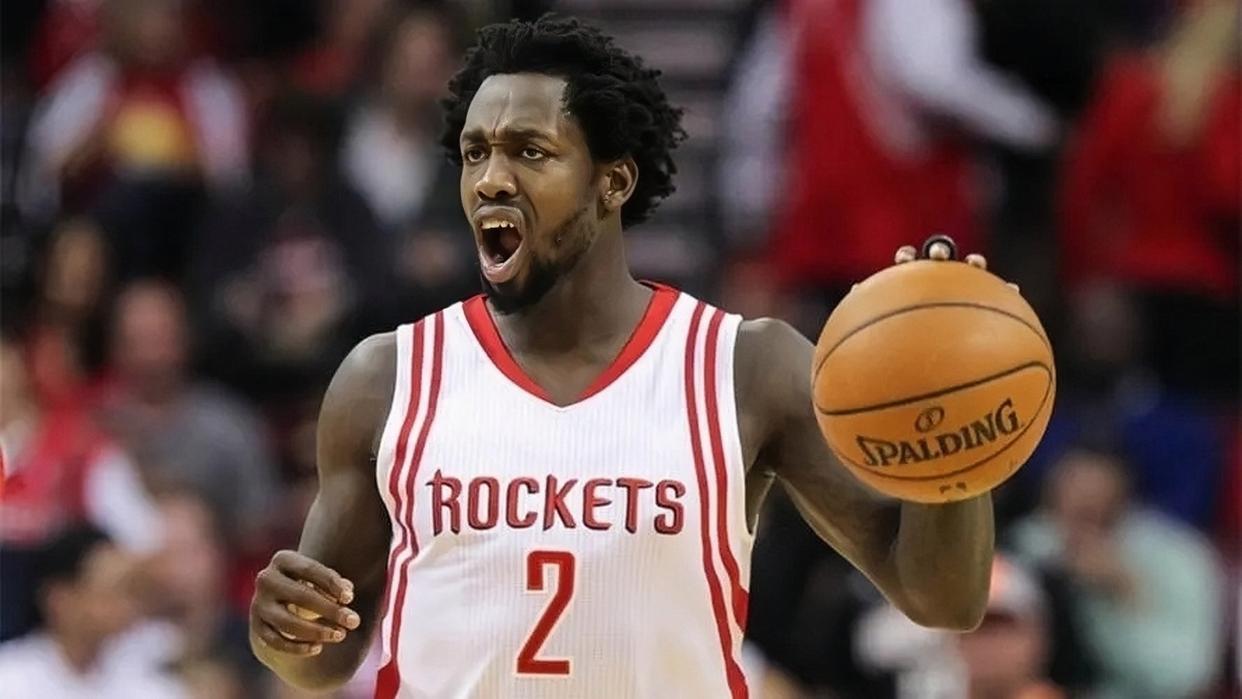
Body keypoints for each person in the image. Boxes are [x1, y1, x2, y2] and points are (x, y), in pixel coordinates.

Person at [248, 16, 997, 697]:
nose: (491, 180)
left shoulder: (744, 367)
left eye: (530, 151)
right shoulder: (387, 378)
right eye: (475, 153)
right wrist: (281, 631)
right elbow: (322, 657)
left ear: (614, 180)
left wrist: (958, 425)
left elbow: (943, 598)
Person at [1010, 448, 1225, 699]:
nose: (1084, 527)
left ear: (1124, 501)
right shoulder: (1020, 550)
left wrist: (1125, 595)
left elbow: (1185, 677)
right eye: (1072, 508)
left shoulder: (1179, 557)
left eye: (1097, 512)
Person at [0, 524, 187, 697]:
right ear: (60, 600)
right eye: (113, 592)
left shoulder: (142, 674)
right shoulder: (10, 680)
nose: (126, 606)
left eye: (131, 592)